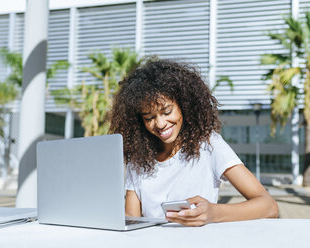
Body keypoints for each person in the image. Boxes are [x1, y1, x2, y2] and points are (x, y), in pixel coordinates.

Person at [108, 58, 279, 227]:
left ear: (184, 105)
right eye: (149, 117)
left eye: (167, 111)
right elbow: (131, 217)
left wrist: (213, 213)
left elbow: (269, 206)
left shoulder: (208, 144)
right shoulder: (139, 157)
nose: (160, 124)